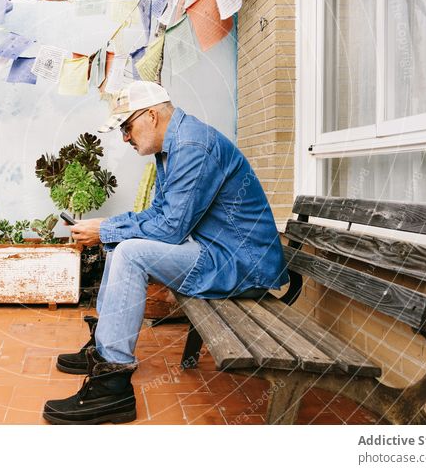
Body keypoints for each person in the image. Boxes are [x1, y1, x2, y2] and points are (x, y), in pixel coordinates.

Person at [42, 80, 289, 425]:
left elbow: (171, 230)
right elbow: (158, 215)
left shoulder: (192, 146)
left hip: (241, 266)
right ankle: (103, 348)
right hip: (216, 252)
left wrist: (104, 230)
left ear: (152, 116)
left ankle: (112, 386)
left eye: (127, 126)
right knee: (120, 243)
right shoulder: (173, 148)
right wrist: (108, 227)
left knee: (128, 251)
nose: (125, 138)